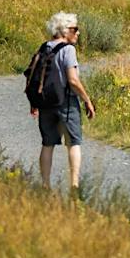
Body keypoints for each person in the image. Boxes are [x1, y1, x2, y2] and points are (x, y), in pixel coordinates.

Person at [31, 11, 97, 198]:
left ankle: (45, 186)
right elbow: (73, 80)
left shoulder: (44, 48)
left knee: (47, 144)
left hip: (45, 104)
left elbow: (36, 77)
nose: (77, 33)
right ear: (64, 30)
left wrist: (34, 102)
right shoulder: (68, 50)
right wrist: (87, 100)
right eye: (74, 29)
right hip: (66, 103)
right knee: (74, 142)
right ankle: (74, 186)